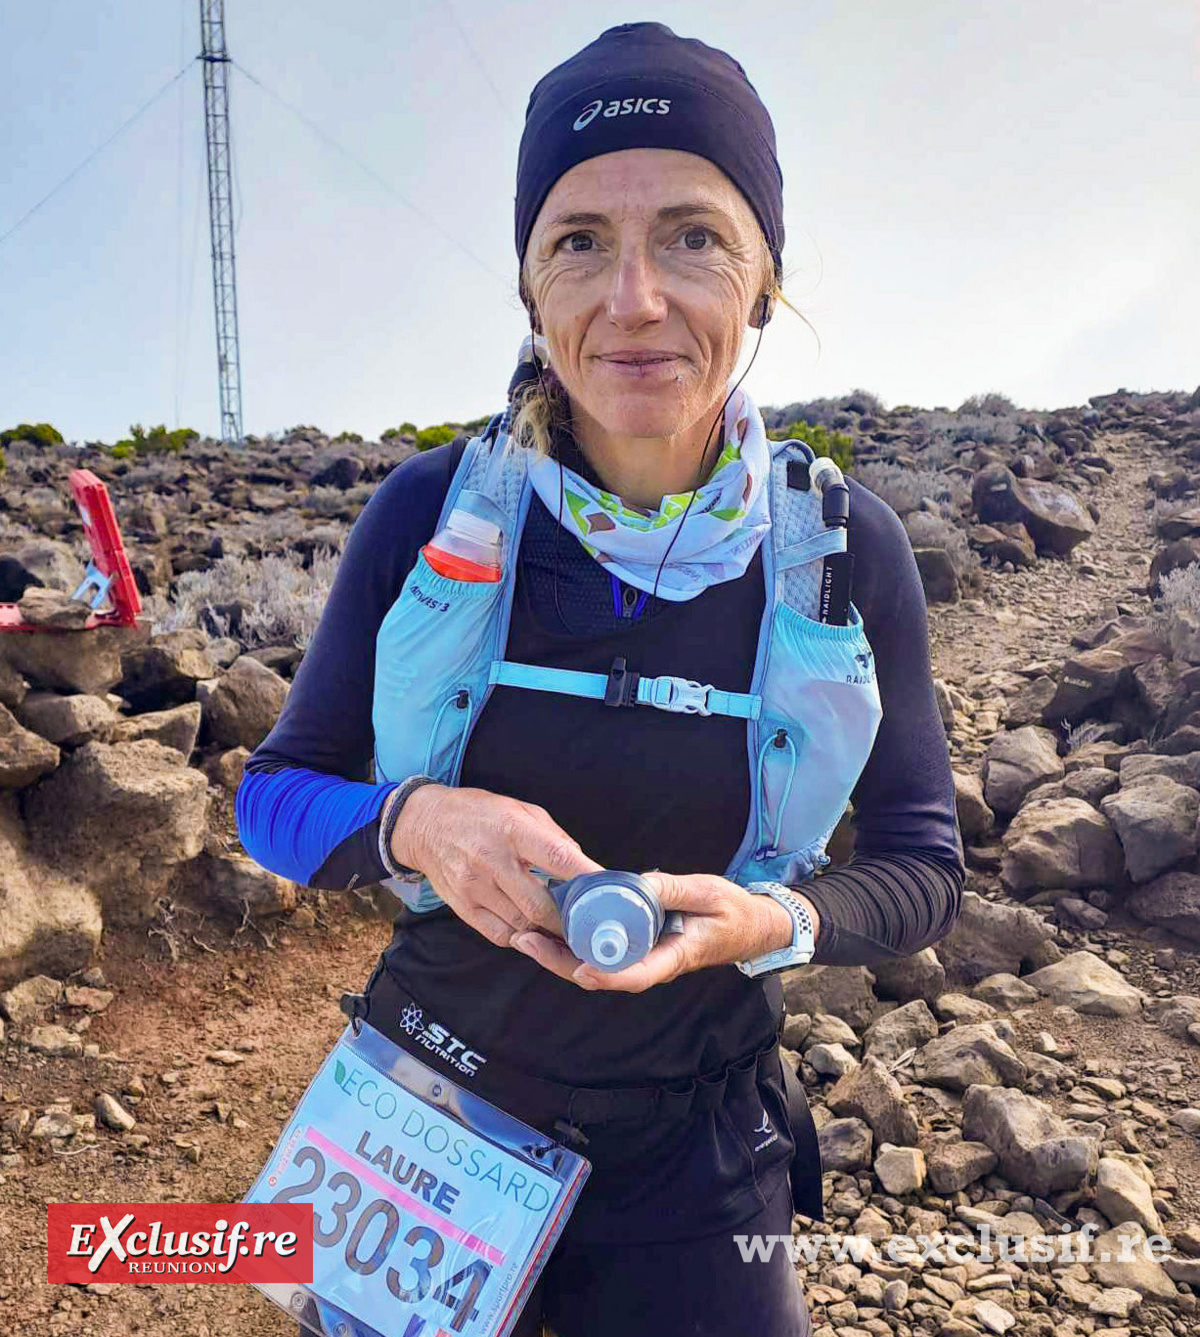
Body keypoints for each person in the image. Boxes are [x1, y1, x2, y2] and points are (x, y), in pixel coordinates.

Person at [237, 21, 964, 1337]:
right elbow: (272, 796)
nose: (633, 296)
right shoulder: (426, 515)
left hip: (694, 1149)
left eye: (692, 234)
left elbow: (921, 866)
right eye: (578, 239)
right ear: (529, 286)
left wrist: (770, 924)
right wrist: (410, 822)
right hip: (425, 1120)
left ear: (761, 282)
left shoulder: (847, 552)